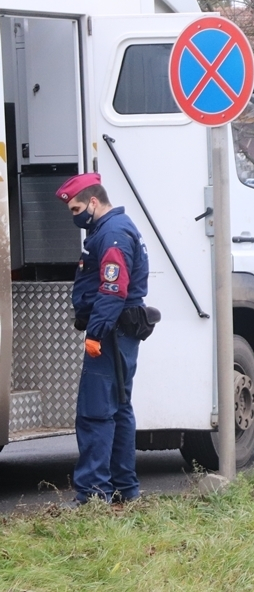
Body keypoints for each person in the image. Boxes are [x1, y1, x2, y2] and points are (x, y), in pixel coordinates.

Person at [56, 173, 149, 504]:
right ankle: (125, 487)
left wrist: (95, 333)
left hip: (110, 334)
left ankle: (93, 493)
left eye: (77, 208)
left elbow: (113, 288)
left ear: (93, 201)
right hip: (119, 331)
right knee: (119, 409)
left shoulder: (111, 234)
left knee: (96, 412)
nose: (75, 215)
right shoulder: (111, 230)